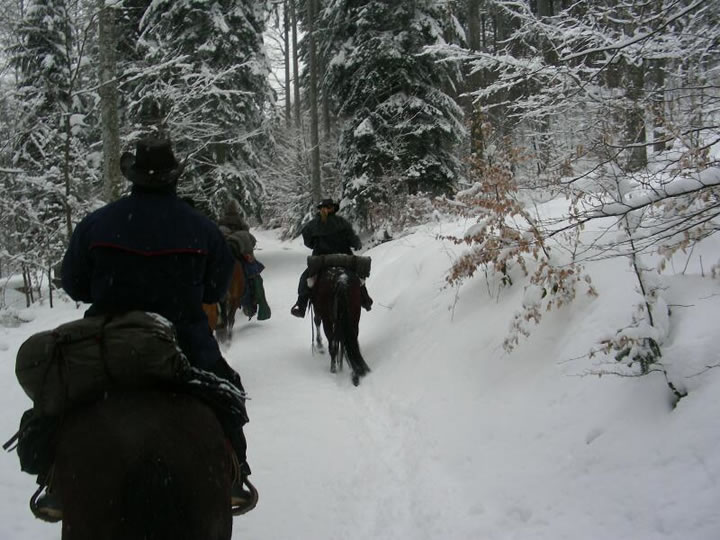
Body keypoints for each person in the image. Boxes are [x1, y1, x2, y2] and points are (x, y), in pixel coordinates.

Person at [47, 138, 256, 518]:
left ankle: (53, 481)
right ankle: (235, 475)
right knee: (229, 398)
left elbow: (74, 284)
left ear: (134, 178)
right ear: (174, 178)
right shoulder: (201, 228)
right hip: (184, 344)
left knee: (59, 397)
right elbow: (215, 290)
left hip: (107, 341)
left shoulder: (98, 223)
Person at [291, 198, 373, 318]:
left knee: (305, 278)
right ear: (333, 208)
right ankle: (365, 300)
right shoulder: (342, 222)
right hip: (344, 259)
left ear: (320, 210)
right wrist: (356, 244)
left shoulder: (312, 224)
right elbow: (355, 243)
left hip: (321, 260)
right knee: (358, 279)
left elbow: (308, 242)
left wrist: (316, 244)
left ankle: (301, 306)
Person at [218, 199, 270, 320]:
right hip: (240, 255)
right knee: (254, 277)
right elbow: (250, 241)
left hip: (223, 255)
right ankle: (254, 304)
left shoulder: (220, 222)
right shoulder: (241, 222)